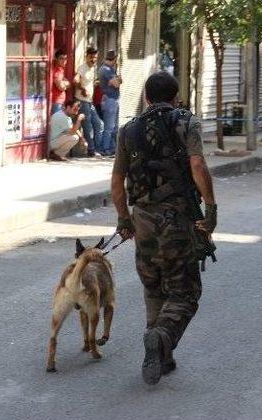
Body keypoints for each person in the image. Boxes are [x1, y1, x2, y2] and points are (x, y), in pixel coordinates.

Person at [111, 71, 217, 385]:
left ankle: (161, 355)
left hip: (143, 221)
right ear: (175, 98)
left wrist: (123, 219)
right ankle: (161, 338)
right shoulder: (187, 123)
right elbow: (197, 165)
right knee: (185, 293)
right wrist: (210, 210)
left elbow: (118, 182)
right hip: (178, 221)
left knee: (154, 287)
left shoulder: (128, 130)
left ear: (146, 97)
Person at [74, 46, 104, 157]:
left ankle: (97, 148)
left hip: (89, 101)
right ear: (86, 57)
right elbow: (75, 80)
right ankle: (91, 150)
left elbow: (90, 82)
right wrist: (82, 89)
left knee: (99, 124)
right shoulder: (82, 67)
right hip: (82, 101)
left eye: (95, 57)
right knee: (87, 126)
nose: (93, 60)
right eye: (91, 57)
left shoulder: (93, 68)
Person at [98, 50, 122, 156]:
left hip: (114, 99)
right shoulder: (106, 70)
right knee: (109, 127)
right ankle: (105, 148)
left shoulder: (110, 69)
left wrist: (118, 80)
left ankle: (112, 148)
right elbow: (117, 83)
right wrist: (118, 79)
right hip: (110, 100)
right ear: (114, 59)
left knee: (115, 127)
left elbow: (118, 82)